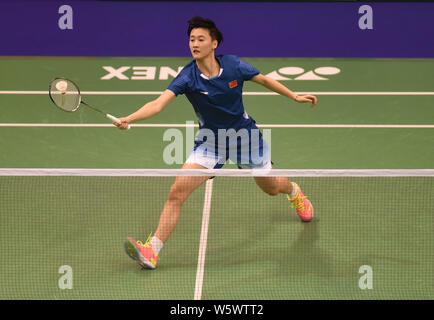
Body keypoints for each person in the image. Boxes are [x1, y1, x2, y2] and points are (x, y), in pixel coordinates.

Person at [115, 16, 318, 269]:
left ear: (214, 43)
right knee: (177, 191)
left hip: (245, 139)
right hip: (211, 142)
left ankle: (295, 193)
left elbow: (264, 79)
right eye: (191, 40)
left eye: (201, 39)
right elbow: (158, 103)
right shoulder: (188, 76)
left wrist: (294, 95)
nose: (195, 44)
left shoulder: (233, 65)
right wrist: (130, 118)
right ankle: (152, 250)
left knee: (272, 187)